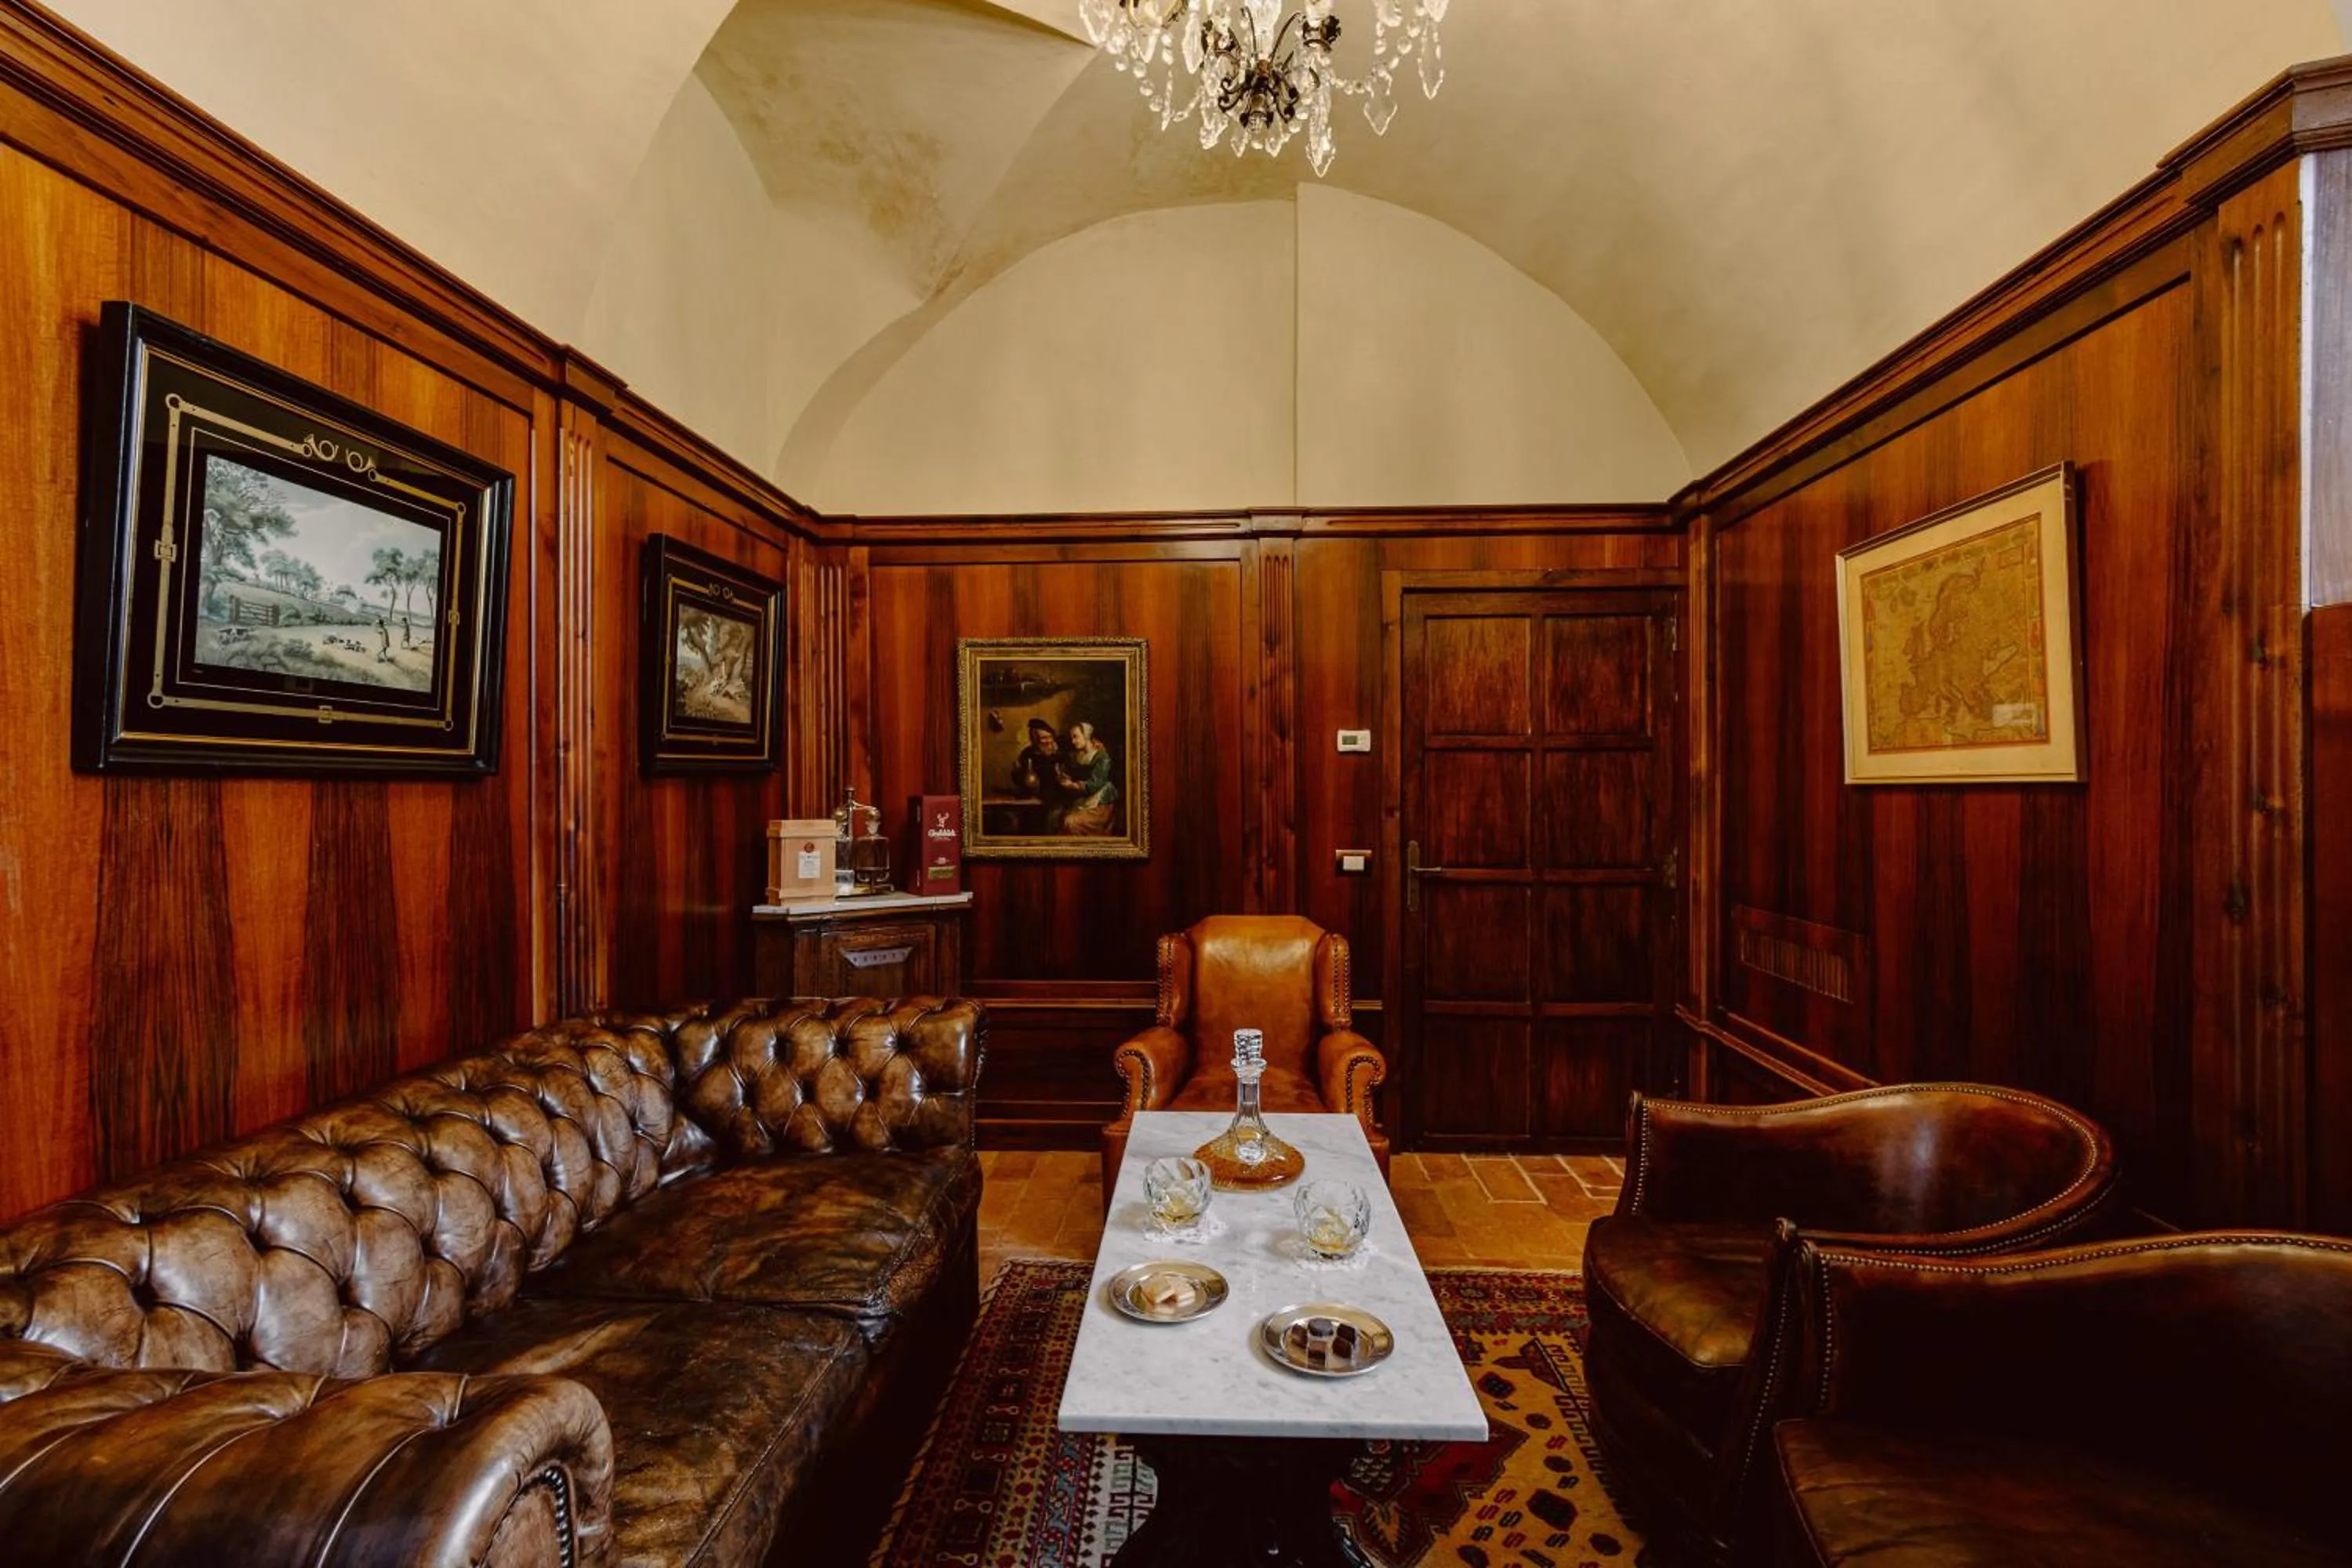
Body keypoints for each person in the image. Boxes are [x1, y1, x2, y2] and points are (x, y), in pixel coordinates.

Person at [1010, 718, 1077, 830]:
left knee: (1053, 819)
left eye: (1050, 737)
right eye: (1043, 738)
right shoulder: (1028, 754)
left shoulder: (1062, 752)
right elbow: (1021, 781)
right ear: (1035, 740)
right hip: (1034, 799)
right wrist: (1017, 773)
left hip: (1058, 799)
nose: (1048, 741)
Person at [1056, 721, 1120, 835]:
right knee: (1058, 819)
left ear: (1086, 736)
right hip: (1084, 800)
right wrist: (1064, 777)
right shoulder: (1076, 756)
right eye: (1071, 738)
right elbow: (1073, 774)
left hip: (1101, 803)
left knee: (1070, 822)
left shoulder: (1102, 757)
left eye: (1076, 737)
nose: (1073, 741)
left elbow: (1096, 784)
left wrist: (1073, 785)